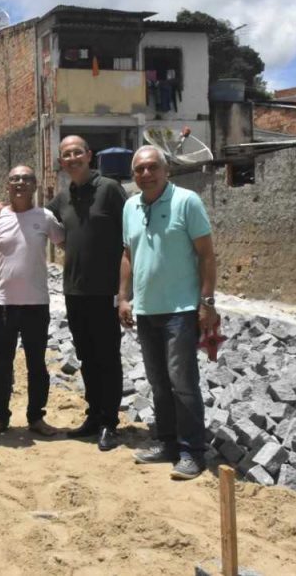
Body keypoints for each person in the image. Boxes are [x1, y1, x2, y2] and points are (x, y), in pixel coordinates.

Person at [118, 146, 218, 480]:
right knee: (159, 383)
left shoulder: (187, 201)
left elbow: (206, 255)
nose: (146, 174)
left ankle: (192, 452)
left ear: (167, 170)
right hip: (147, 310)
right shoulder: (130, 206)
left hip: (181, 309)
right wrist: (123, 298)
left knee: (183, 383)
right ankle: (168, 443)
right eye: (139, 169)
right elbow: (128, 254)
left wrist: (207, 303)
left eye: (152, 167)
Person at [49, 136, 127, 452]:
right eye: (66, 155)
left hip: (105, 291)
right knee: (86, 357)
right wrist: (1, 207)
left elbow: (130, 234)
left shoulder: (109, 189)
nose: (72, 158)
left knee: (107, 357)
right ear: (61, 162)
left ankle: (109, 422)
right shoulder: (63, 196)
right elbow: (36, 216)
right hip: (74, 291)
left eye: (77, 152)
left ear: (89, 155)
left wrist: (125, 292)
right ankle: (93, 416)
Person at [0, 165, 65, 437]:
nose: (20, 183)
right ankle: (0, 417)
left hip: (36, 304)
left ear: (35, 185)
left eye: (26, 178)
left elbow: (66, 243)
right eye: (15, 179)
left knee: (36, 364)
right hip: (3, 304)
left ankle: (36, 417)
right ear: (7, 185)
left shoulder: (45, 217)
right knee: (1, 364)